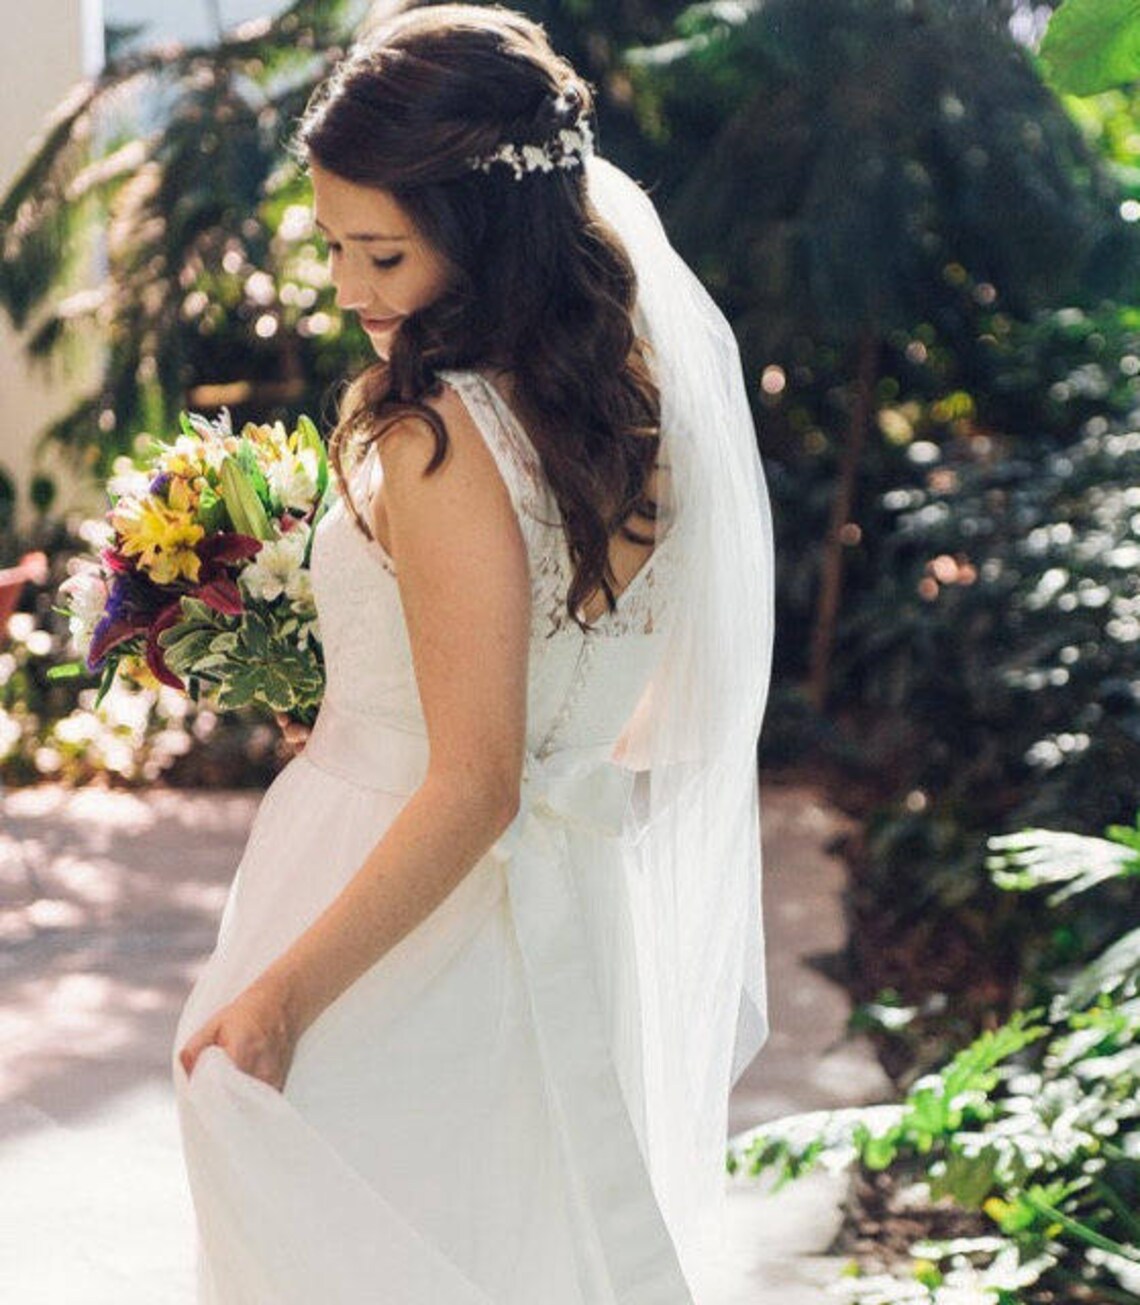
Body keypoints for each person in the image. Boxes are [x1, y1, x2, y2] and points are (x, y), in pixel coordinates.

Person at [171, 5, 775, 1302]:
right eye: (333, 246)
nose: (350, 289)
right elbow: (615, 713)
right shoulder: (630, 412)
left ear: (485, 226)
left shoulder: (436, 435)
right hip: (561, 907)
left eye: (382, 252)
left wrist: (281, 999)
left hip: (398, 918)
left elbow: (477, 780)